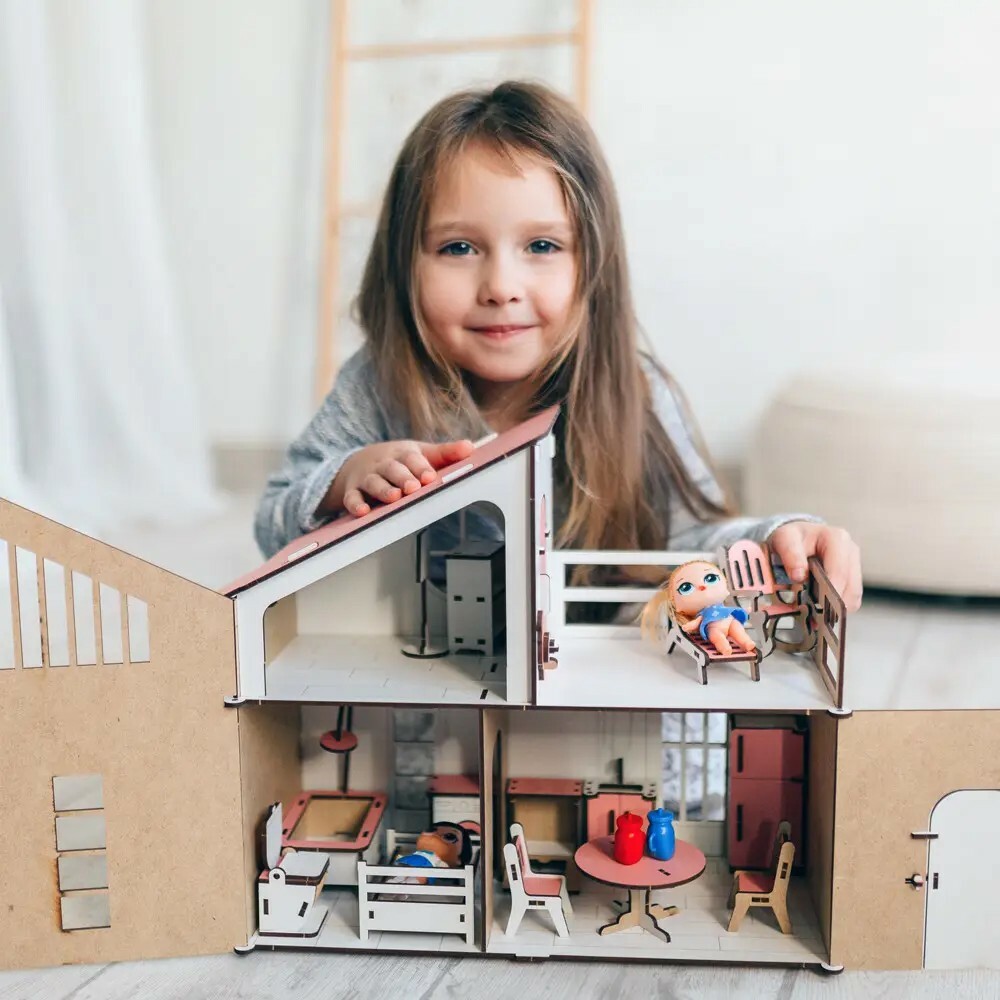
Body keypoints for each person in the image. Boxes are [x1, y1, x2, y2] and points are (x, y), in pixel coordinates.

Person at [254, 80, 862, 613]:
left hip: (580, 672)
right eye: (458, 248)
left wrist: (785, 538)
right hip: (422, 664)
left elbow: (689, 541)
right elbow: (273, 522)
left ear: (592, 264)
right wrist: (343, 479)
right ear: (402, 265)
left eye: (542, 247)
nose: (500, 288)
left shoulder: (632, 390)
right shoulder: (379, 385)